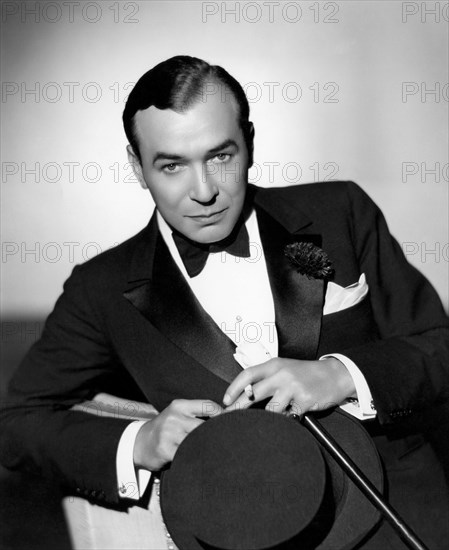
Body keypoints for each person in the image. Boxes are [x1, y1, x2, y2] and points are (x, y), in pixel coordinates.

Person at [1, 55, 448, 549]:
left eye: (220, 156)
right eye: (171, 165)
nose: (204, 191)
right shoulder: (100, 288)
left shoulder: (341, 210)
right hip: (236, 534)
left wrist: (342, 374)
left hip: (397, 521)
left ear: (250, 143)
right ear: (136, 166)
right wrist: (139, 442)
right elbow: (16, 423)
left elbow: (439, 347)